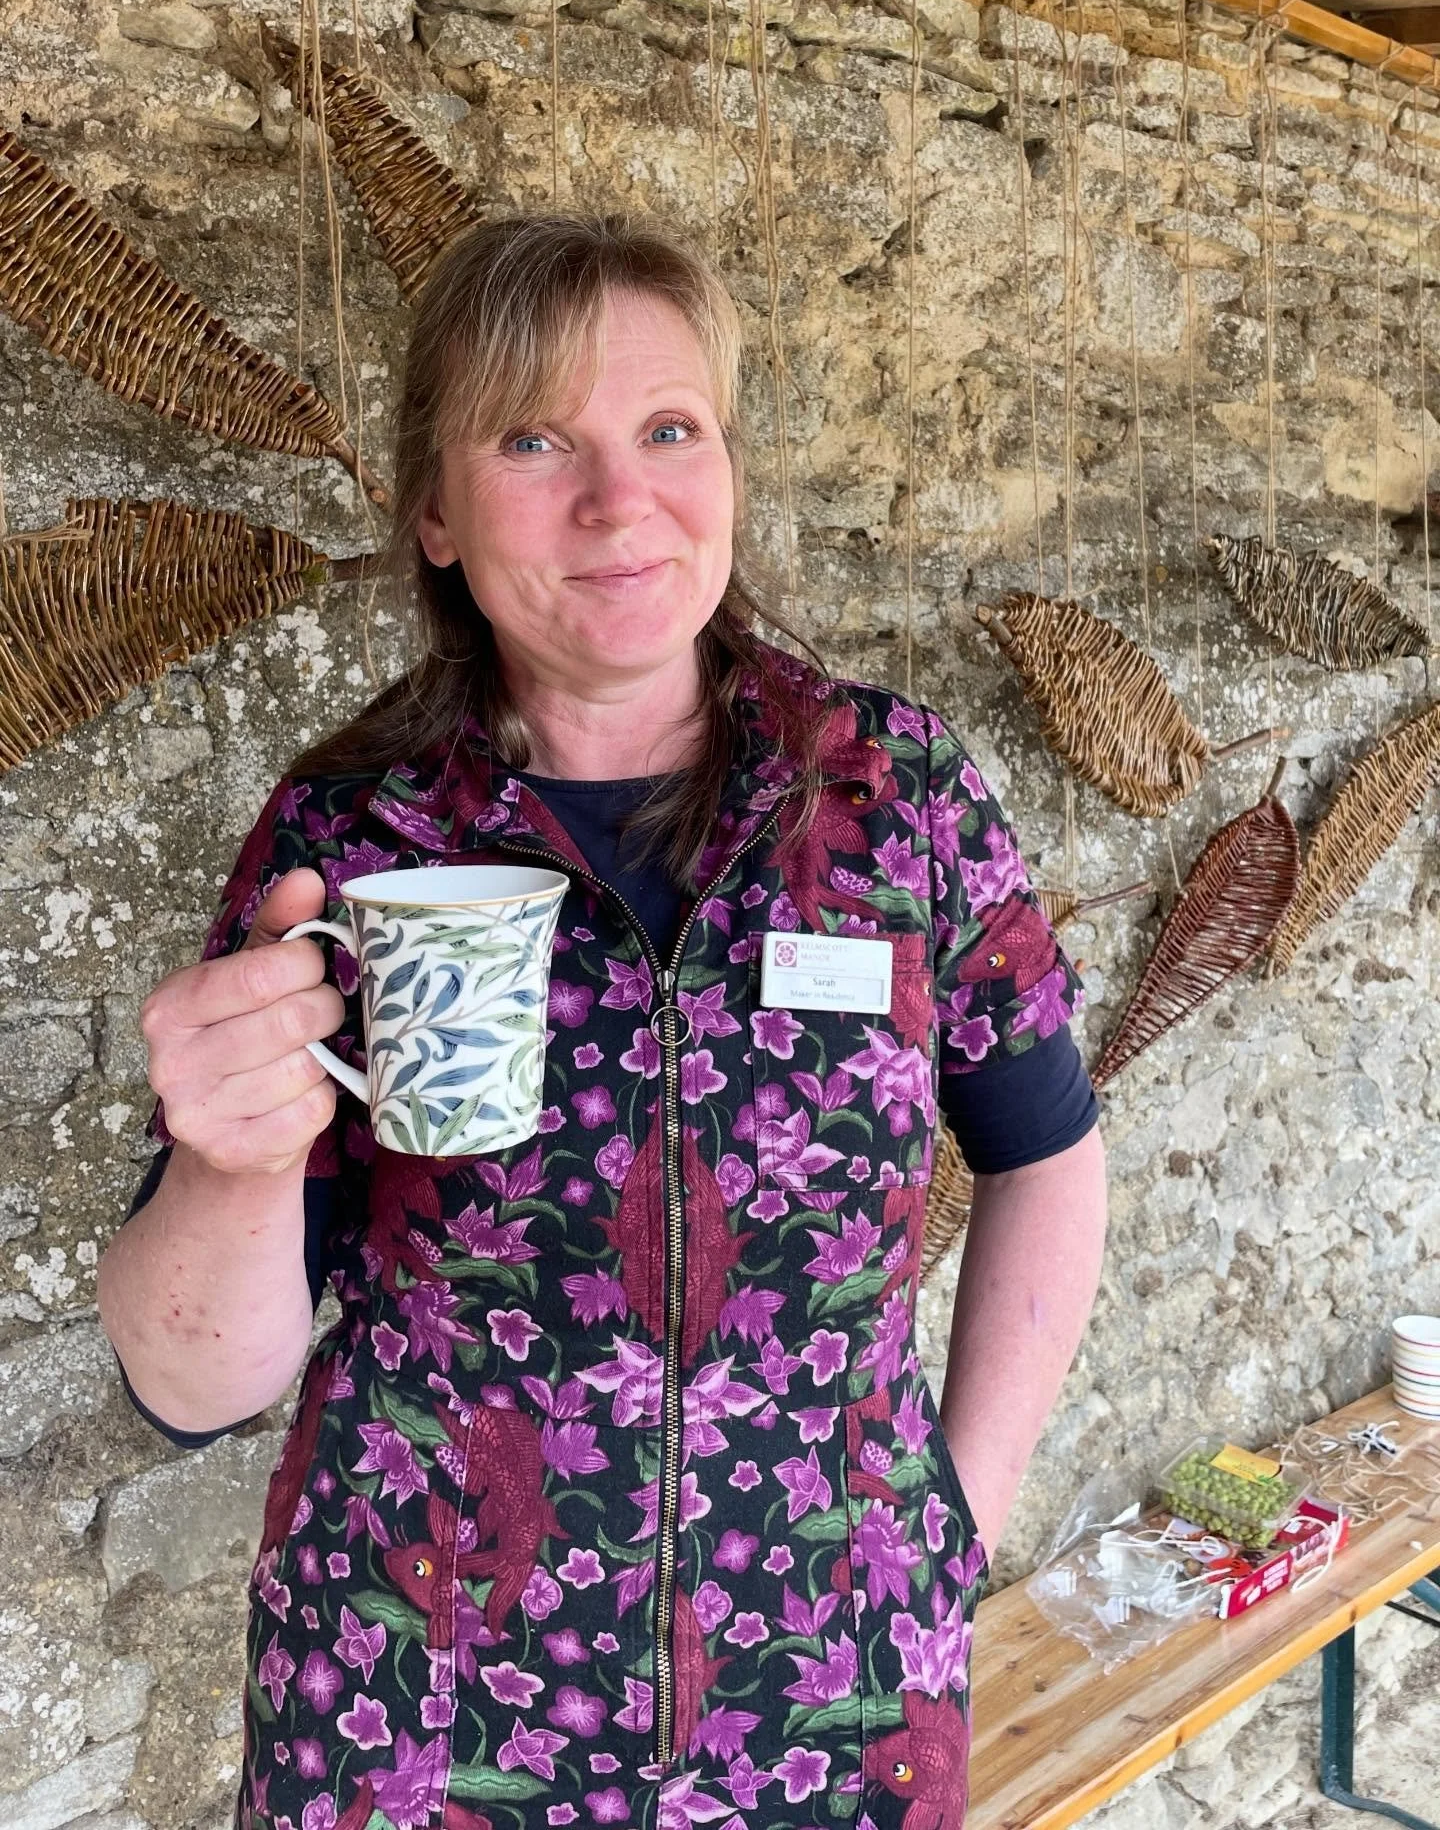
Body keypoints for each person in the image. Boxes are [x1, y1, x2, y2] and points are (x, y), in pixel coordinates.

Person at [97, 213, 1107, 1830]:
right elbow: (188, 1384)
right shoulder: (346, 840)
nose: (619, 500)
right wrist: (230, 1160)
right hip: (418, 1722)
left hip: (831, 1709)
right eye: (532, 439)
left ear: (727, 466)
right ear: (433, 511)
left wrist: (948, 1523)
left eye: (667, 429)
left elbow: (1049, 1158)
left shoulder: (898, 798)